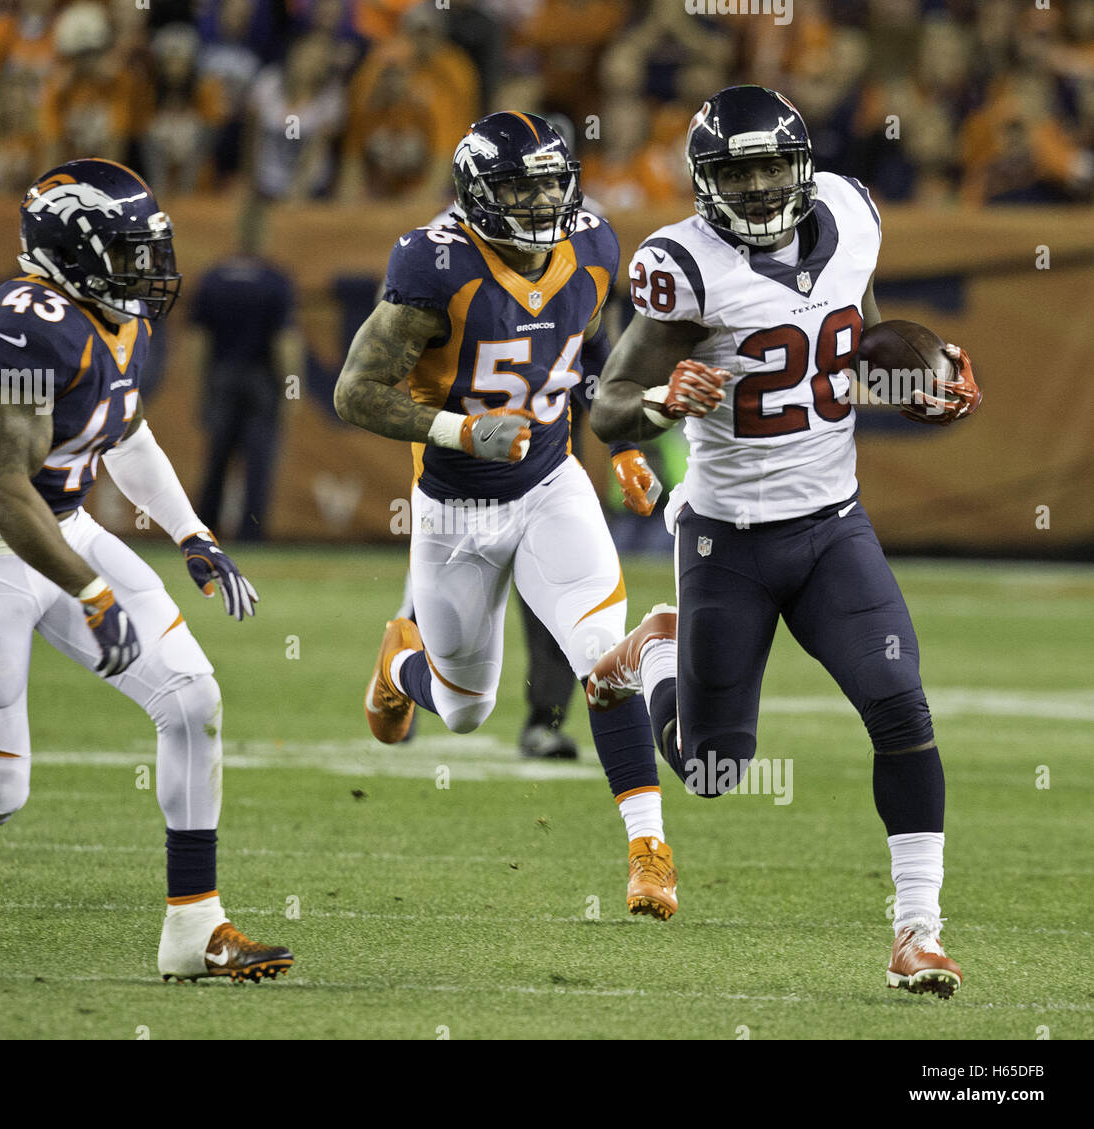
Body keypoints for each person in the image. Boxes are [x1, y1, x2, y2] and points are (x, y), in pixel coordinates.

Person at [0, 159, 293, 984]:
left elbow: (126, 431)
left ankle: (194, 925)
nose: (148, 270)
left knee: (193, 697)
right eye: (128, 252)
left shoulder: (117, 319)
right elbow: (4, 488)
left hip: (68, 528)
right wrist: (89, 589)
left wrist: (192, 531)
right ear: (69, 253)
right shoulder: (20, 319)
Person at [587, 85, 981, 996]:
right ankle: (657, 651)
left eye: (772, 165)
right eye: (739, 170)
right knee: (713, 768)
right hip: (728, 542)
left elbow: (860, 344)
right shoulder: (685, 267)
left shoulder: (849, 212)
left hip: (833, 526)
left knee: (901, 706)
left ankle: (916, 931)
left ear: (801, 166)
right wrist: (658, 402)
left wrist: (908, 385)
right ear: (704, 181)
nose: (760, 185)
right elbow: (608, 406)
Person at [334, 112, 677, 918]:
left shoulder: (593, 243)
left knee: (603, 657)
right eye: (520, 188)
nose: (540, 201)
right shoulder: (435, 262)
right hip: (456, 509)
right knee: (463, 709)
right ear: (479, 194)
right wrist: (459, 429)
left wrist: (619, 437)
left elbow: (589, 351)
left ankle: (648, 848)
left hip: (551, 485)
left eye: (552, 183)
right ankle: (396, 665)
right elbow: (355, 391)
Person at [191, 203, 302, 541]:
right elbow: (286, 344)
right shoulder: (275, 281)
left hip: (222, 376)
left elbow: (199, 343)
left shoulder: (213, 278)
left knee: (216, 462)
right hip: (260, 381)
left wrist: (202, 387)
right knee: (258, 463)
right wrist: (292, 390)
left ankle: (202, 531)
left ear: (236, 234)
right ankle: (251, 535)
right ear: (265, 235)